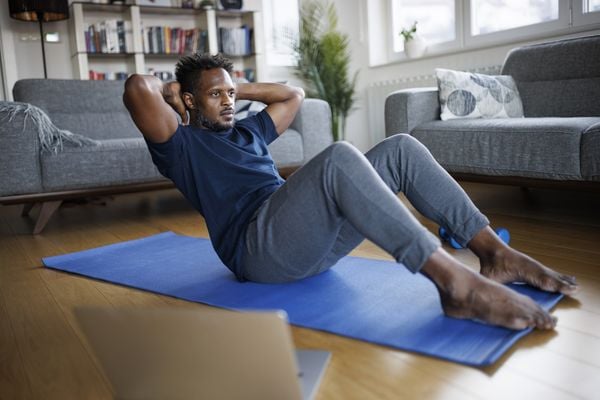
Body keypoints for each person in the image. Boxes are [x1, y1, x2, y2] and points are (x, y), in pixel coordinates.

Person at [123, 53, 578, 331]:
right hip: (258, 250)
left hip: (305, 244)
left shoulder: (249, 132)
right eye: (215, 95)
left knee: (400, 148)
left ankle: (493, 252)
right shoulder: (180, 146)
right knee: (339, 156)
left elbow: (293, 95)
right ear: (186, 100)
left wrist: (229, 84)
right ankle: (454, 283)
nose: (228, 101)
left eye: (231, 93)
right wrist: (178, 89)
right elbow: (137, 88)